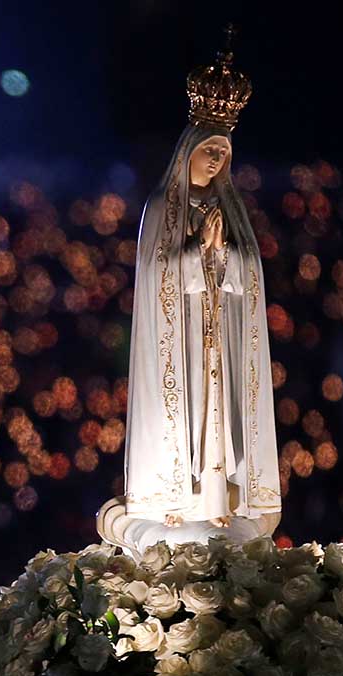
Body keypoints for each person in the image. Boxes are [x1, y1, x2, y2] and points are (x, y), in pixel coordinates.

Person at [121, 27, 281, 530]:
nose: (215, 159)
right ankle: (179, 492)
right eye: (209, 149)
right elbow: (156, 273)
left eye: (223, 153)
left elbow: (249, 273)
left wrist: (225, 255)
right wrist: (197, 252)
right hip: (182, 336)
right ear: (188, 149)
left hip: (217, 343)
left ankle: (218, 498)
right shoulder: (161, 209)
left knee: (218, 417)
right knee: (186, 415)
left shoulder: (228, 209)